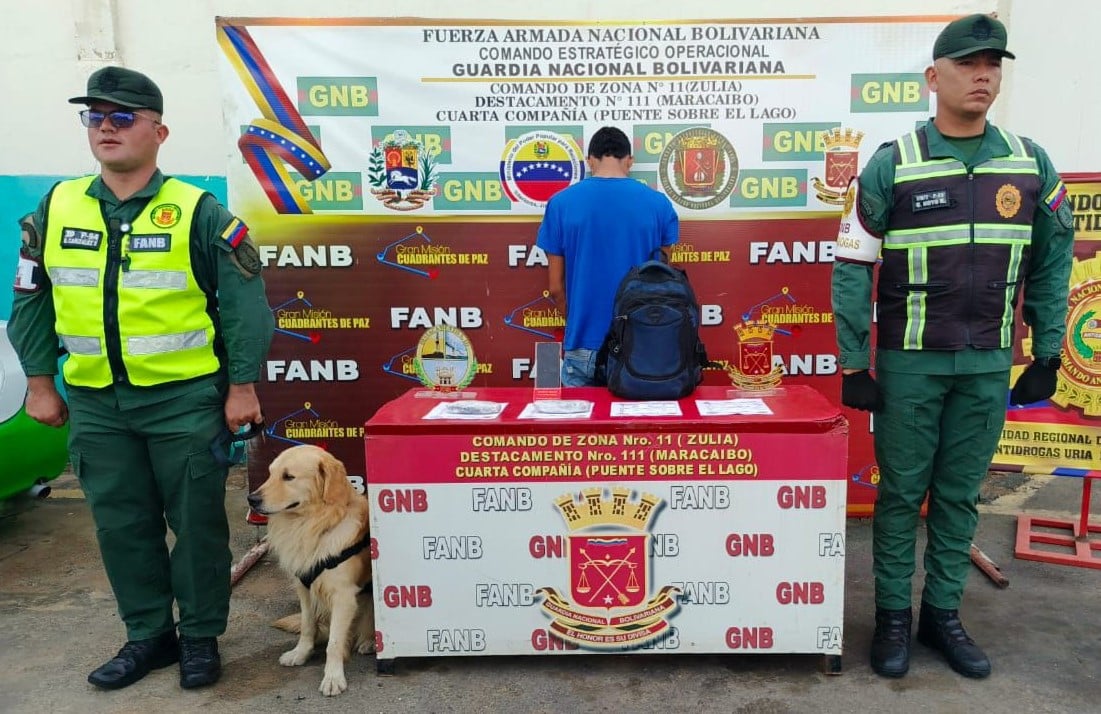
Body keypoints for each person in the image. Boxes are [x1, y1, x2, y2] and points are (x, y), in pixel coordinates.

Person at [7, 67, 275, 690]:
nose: (106, 126)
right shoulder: (55, 207)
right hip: (97, 404)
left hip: (182, 402)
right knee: (121, 526)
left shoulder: (198, 212)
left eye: (122, 117)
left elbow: (243, 306)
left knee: (198, 526)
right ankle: (148, 636)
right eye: (95, 116)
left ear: (159, 132)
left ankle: (201, 637)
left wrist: (241, 385)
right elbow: (31, 301)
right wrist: (41, 382)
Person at [832, 15, 1074, 679]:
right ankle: (890, 620)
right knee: (900, 497)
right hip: (910, 367)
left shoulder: (1028, 162)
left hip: (986, 366)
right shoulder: (893, 164)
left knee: (962, 495)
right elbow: (851, 263)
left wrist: (1046, 351)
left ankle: (941, 617)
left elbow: (1055, 260)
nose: (983, 75)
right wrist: (853, 361)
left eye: (993, 64)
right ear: (933, 78)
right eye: (969, 64)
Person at [536, 126, 679, 386]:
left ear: (590, 160)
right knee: (638, 426)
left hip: (583, 343)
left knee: (581, 427)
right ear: (630, 161)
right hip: (643, 345)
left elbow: (555, 288)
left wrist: (579, 317)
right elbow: (665, 281)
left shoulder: (560, 204)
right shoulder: (659, 204)